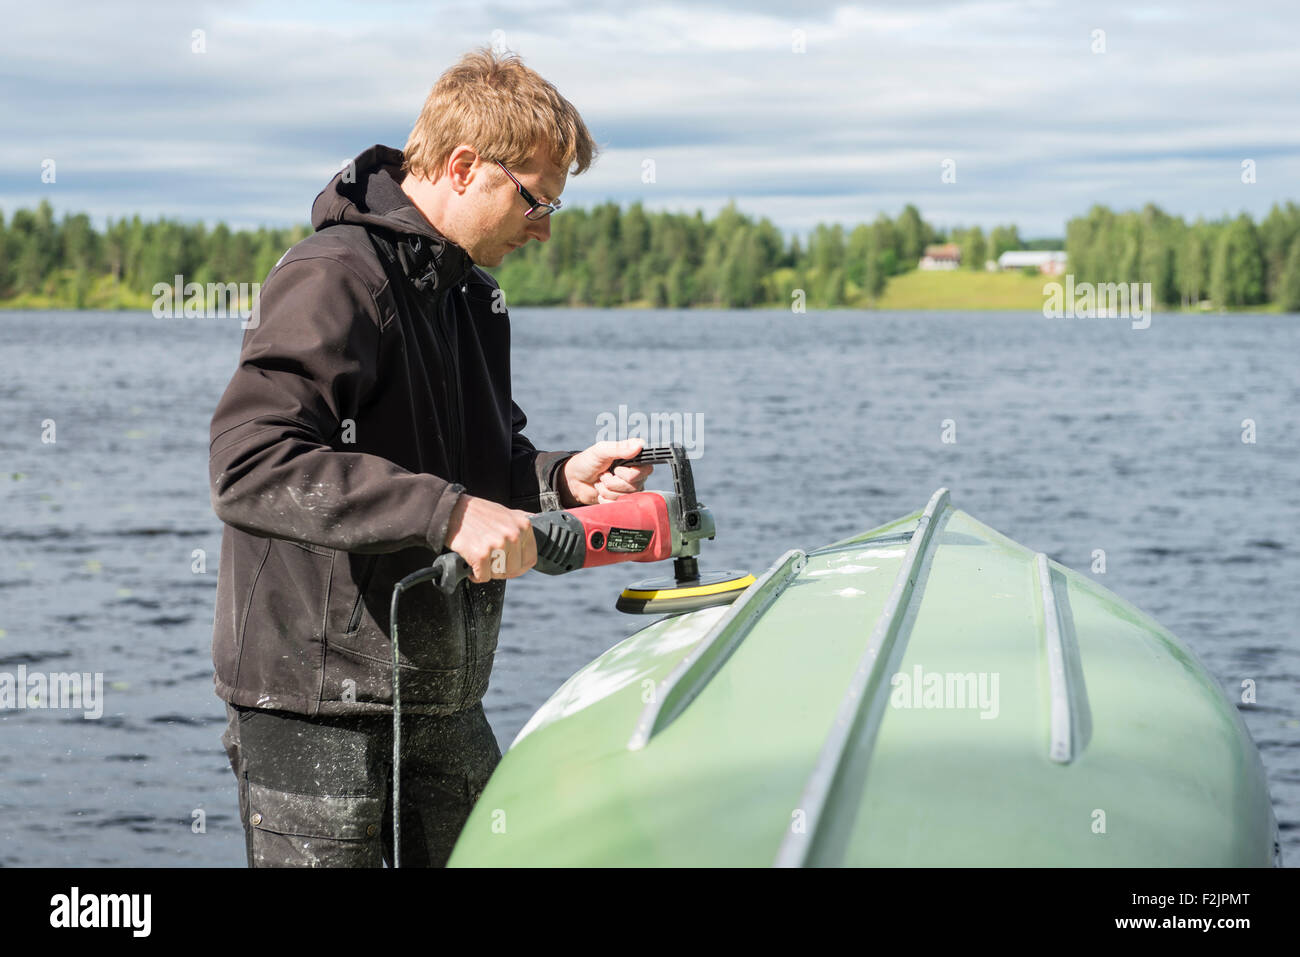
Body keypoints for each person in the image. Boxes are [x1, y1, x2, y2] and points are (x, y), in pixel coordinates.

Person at [208, 47, 652, 867]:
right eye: (536, 199)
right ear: (462, 166)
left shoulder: (473, 296)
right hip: (315, 703)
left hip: (439, 699)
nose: (545, 227)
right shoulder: (333, 276)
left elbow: (477, 469)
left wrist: (557, 479)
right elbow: (251, 463)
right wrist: (445, 514)